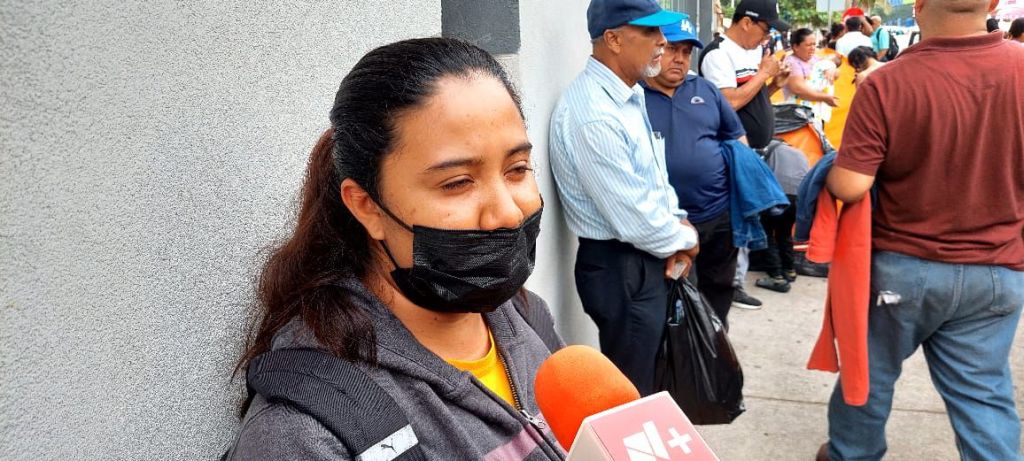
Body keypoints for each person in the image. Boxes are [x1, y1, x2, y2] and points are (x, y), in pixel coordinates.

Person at [227, 38, 565, 460]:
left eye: (517, 169)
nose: (508, 213)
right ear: (366, 206)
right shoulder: (301, 434)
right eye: (457, 183)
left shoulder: (528, 319)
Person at [817, 0, 1024, 458]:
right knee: (984, 396)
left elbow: (850, 186)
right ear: (992, 5)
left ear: (918, 7)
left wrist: (830, 170)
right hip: (997, 271)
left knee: (869, 377)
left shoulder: (886, 82)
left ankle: (851, 454)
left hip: (902, 270)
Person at [549, 0, 697, 396]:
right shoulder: (595, 112)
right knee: (633, 393)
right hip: (623, 267)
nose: (662, 41)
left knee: (651, 377)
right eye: (650, 31)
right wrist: (685, 238)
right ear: (613, 39)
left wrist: (676, 222)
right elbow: (633, 217)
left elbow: (653, 176)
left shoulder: (625, 95)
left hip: (643, 258)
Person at [642, 18, 746, 325]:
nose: (680, 59)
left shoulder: (706, 90)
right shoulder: (634, 95)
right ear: (655, 47)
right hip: (664, 223)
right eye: (672, 49)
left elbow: (736, 138)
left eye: (687, 52)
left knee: (719, 288)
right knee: (674, 299)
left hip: (716, 214)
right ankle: (683, 350)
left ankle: (715, 343)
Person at [699, 0, 790, 309]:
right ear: (747, 22)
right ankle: (730, 286)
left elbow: (751, 98)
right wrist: (763, 74)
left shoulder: (751, 53)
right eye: (766, 29)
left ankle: (735, 281)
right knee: (736, 219)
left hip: (754, 150)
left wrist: (773, 84)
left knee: (749, 215)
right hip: (734, 151)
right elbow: (729, 103)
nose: (767, 37)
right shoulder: (718, 54)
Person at [783, 28, 840, 113]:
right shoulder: (791, 62)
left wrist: (832, 68)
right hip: (798, 112)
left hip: (815, 112)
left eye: (814, 44)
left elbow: (835, 73)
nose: (813, 48)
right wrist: (825, 98)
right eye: (808, 45)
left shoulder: (814, 58)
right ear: (795, 47)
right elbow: (798, 89)